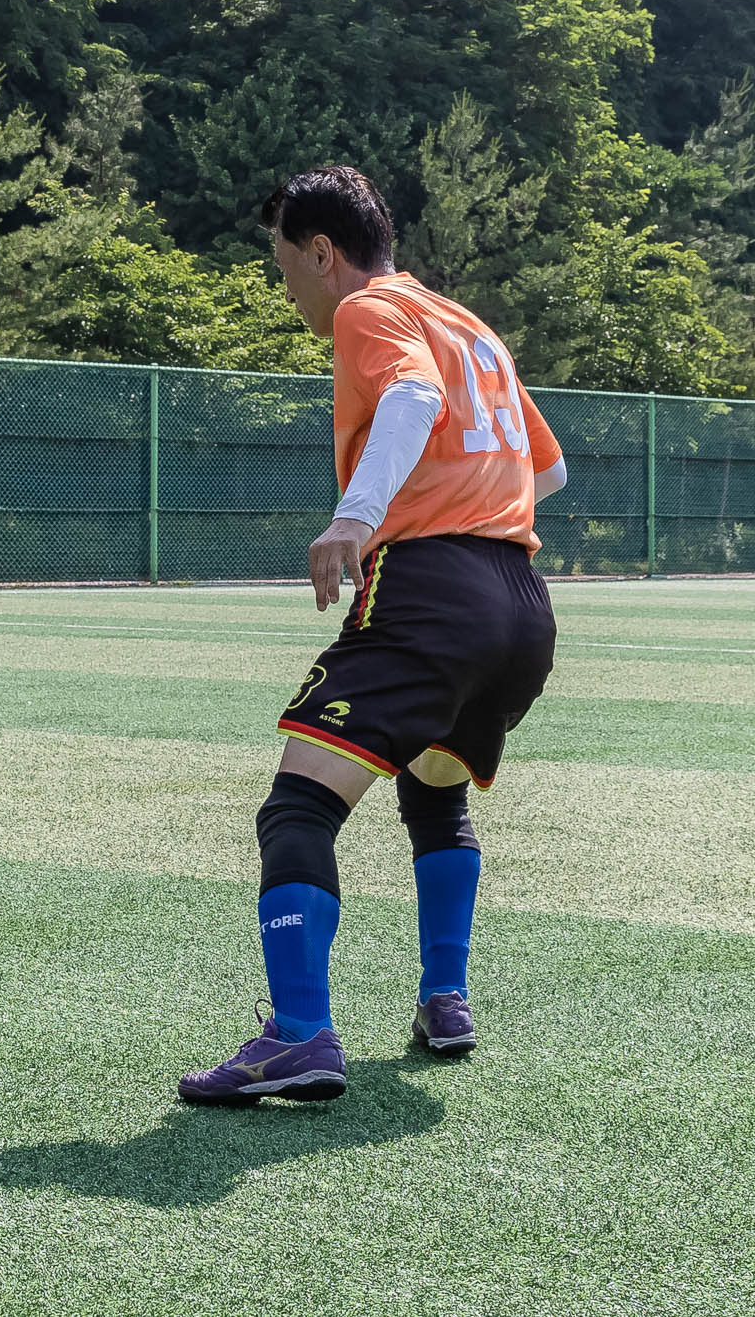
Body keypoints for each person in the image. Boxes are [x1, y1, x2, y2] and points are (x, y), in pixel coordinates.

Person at [179, 167, 567, 1103]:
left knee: (298, 809)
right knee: (435, 792)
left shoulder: (368, 311)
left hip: (429, 590)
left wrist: (357, 516)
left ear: (323, 251)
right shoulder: (471, 324)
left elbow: (413, 401)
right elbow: (546, 473)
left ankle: (301, 1035)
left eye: (285, 265)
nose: (289, 290)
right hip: (520, 599)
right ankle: (445, 997)